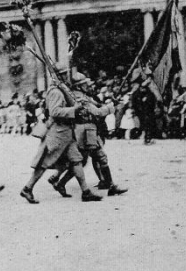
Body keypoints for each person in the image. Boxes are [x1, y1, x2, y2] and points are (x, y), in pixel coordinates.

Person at [20, 68, 103, 203]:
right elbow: (55, 112)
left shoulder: (63, 90)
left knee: (77, 160)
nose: (66, 77)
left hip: (66, 133)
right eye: (63, 75)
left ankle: (86, 192)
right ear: (56, 77)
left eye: (65, 74)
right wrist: (74, 109)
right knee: (44, 163)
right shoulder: (56, 92)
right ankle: (27, 188)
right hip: (57, 133)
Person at [47, 73, 128, 197]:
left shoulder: (82, 96)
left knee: (94, 159)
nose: (88, 86)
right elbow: (97, 112)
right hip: (83, 133)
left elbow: (97, 105)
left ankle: (110, 185)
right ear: (79, 86)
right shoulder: (79, 97)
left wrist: (112, 102)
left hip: (88, 132)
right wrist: (112, 107)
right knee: (82, 161)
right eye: (85, 84)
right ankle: (61, 183)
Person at [132, 79, 157, 145]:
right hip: (139, 112)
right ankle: (144, 136)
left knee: (148, 123)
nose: (142, 89)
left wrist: (146, 101)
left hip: (148, 112)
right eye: (141, 87)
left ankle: (148, 137)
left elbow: (153, 103)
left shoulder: (150, 94)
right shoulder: (136, 94)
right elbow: (134, 103)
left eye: (144, 88)